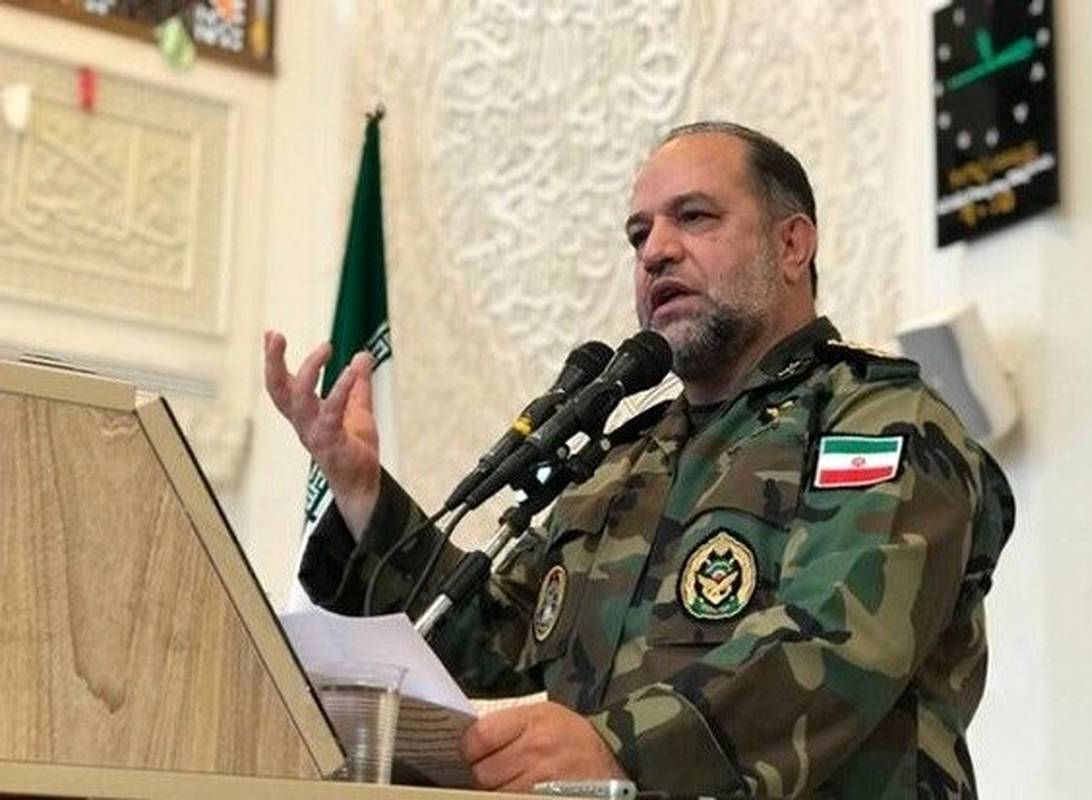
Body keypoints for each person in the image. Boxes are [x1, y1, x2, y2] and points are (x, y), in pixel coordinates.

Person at [264, 121, 1015, 798]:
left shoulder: (880, 421)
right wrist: (360, 492)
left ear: (792, 245)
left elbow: (839, 646)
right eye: (638, 233)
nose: (655, 250)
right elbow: (488, 636)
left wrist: (617, 747)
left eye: (695, 217)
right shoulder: (621, 465)